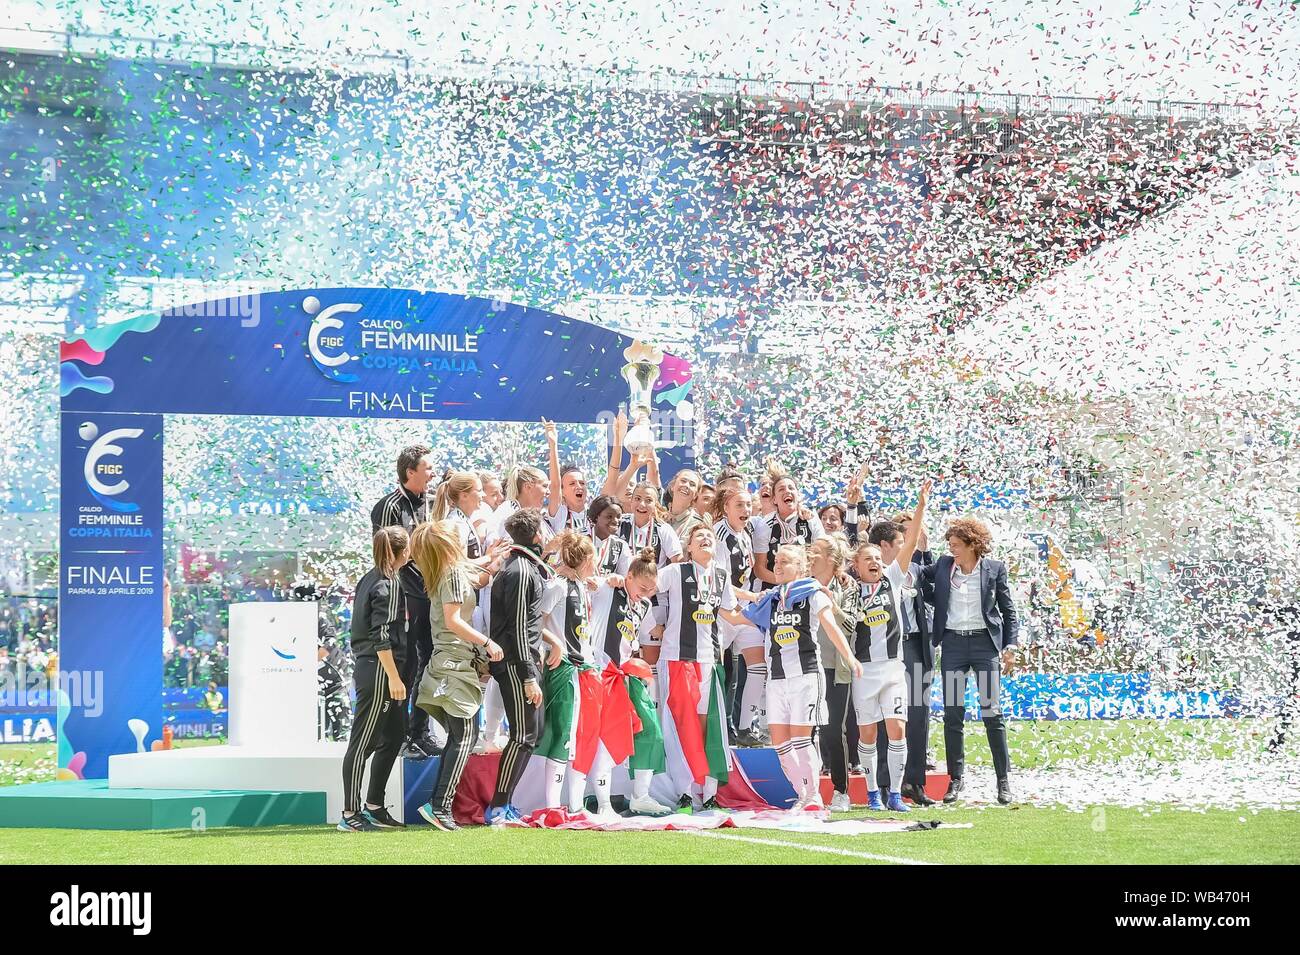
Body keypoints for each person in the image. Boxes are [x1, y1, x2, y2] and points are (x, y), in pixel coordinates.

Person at [746, 543, 860, 809]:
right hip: (776, 679)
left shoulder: (813, 593)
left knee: (800, 739)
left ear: (801, 567)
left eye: (785, 561)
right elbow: (739, 616)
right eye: (775, 561)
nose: (777, 565)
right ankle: (803, 793)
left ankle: (813, 797)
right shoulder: (771, 599)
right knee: (780, 744)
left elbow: (831, 628)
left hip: (805, 675)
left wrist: (849, 658)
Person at [916, 514, 1019, 805]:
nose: (952, 549)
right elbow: (921, 577)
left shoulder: (994, 569)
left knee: (992, 713)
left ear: (973, 544)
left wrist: (1010, 645)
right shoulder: (945, 566)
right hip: (953, 646)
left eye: (957, 544)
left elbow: (1008, 610)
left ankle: (1003, 781)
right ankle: (955, 780)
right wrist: (923, 550)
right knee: (953, 714)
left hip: (984, 646)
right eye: (950, 544)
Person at [409, 521, 504, 831]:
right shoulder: (450, 574)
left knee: (461, 737)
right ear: (448, 544)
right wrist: (486, 642)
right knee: (463, 737)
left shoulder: (450, 570)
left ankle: (439, 805)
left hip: (455, 664)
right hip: (452, 665)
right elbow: (452, 620)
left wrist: (492, 561)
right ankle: (439, 807)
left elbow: (476, 576)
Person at [843, 480, 930, 812]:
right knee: (867, 736)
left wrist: (920, 506)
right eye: (869, 559)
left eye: (879, 557)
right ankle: (871, 793)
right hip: (864, 671)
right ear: (858, 565)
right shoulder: (850, 587)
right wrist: (852, 506)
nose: (876, 562)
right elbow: (847, 545)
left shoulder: (893, 581)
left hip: (893, 669)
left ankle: (894, 792)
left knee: (897, 729)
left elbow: (908, 545)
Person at [654, 524, 753, 812]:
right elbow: (646, 586)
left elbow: (730, 615)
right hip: (676, 658)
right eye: (699, 537)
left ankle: (707, 792)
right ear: (689, 548)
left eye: (709, 536)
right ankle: (685, 791)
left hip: (709, 660)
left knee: (706, 726)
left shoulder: (721, 577)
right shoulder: (675, 572)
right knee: (679, 725)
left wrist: (761, 617)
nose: (706, 539)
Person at [587, 548, 673, 817]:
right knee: (608, 737)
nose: (646, 593)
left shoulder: (645, 605)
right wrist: (606, 578)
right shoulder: (608, 589)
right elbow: (585, 581)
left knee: (651, 730)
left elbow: (645, 635)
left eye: (651, 590)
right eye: (642, 586)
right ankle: (602, 804)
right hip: (601, 672)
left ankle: (641, 796)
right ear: (630, 575)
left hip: (627, 674)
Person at [484, 508, 555, 826]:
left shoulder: (523, 567)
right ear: (537, 535)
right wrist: (528, 675)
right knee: (523, 734)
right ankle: (498, 806)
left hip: (522, 660)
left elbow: (528, 624)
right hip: (517, 665)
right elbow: (516, 627)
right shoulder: (519, 571)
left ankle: (505, 802)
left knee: (531, 733)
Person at [370, 444, 440, 761]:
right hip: (404, 597)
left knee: (429, 661)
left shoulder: (431, 502)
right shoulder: (389, 506)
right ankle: (395, 736)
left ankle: (419, 732)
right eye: (427, 468)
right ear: (410, 472)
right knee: (406, 665)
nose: (433, 473)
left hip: (429, 594)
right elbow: (389, 559)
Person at [339, 526, 410, 832]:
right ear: (403, 552)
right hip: (379, 669)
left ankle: (374, 806)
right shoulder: (388, 582)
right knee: (363, 742)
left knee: (394, 736)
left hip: (376, 667)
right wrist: (394, 677)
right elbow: (381, 636)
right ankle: (350, 813)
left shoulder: (373, 577)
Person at [870, 510, 938, 806]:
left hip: (916, 646)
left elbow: (938, 588)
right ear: (885, 545)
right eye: (902, 540)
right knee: (888, 717)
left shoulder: (918, 571)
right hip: (886, 650)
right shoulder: (872, 573)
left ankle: (915, 782)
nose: (907, 546)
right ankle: (886, 783)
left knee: (919, 715)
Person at [534, 532, 599, 815]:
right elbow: (536, 620)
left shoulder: (580, 585)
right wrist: (555, 643)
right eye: (593, 556)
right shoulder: (559, 586)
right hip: (564, 669)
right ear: (585, 559)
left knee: (577, 734)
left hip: (583, 667)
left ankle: (573, 803)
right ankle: (552, 806)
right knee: (563, 733)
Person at [713, 484, 768, 745]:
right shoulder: (719, 534)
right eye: (739, 505)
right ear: (725, 508)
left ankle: (746, 728)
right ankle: (716, 730)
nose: (745, 510)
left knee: (758, 665)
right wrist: (751, 597)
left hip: (742, 609)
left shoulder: (745, 534)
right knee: (714, 673)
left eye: (748, 504)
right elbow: (721, 581)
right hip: (722, 611)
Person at [809, 535, 855, 811]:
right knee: (808, 730)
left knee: (833, 731)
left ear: (830, 558)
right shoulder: (802, 582)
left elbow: (851, 624)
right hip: (807, 666)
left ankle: (841, 791)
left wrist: (831, 604)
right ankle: (808, 789)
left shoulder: (846, 587)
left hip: (836, 668)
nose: (810, 554)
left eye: (816, 551)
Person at [751, 475, 825, 589]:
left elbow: (822, 556)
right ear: (774, 499)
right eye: (781, 489)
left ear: (798, 494)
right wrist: (786, 583)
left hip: (806, 586)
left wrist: (801, 583)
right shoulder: (765, 525)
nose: (787, 491)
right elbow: (759, 569)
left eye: (791, 488)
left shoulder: (810, 519)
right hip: (773, 589)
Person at [588, 494, 633, 577]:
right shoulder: (580, 538)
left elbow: (627, 579)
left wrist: (618, 579)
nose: (615, 521)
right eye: (609, 516)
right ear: (597, 516)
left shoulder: (621, 546)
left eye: (618, 516)